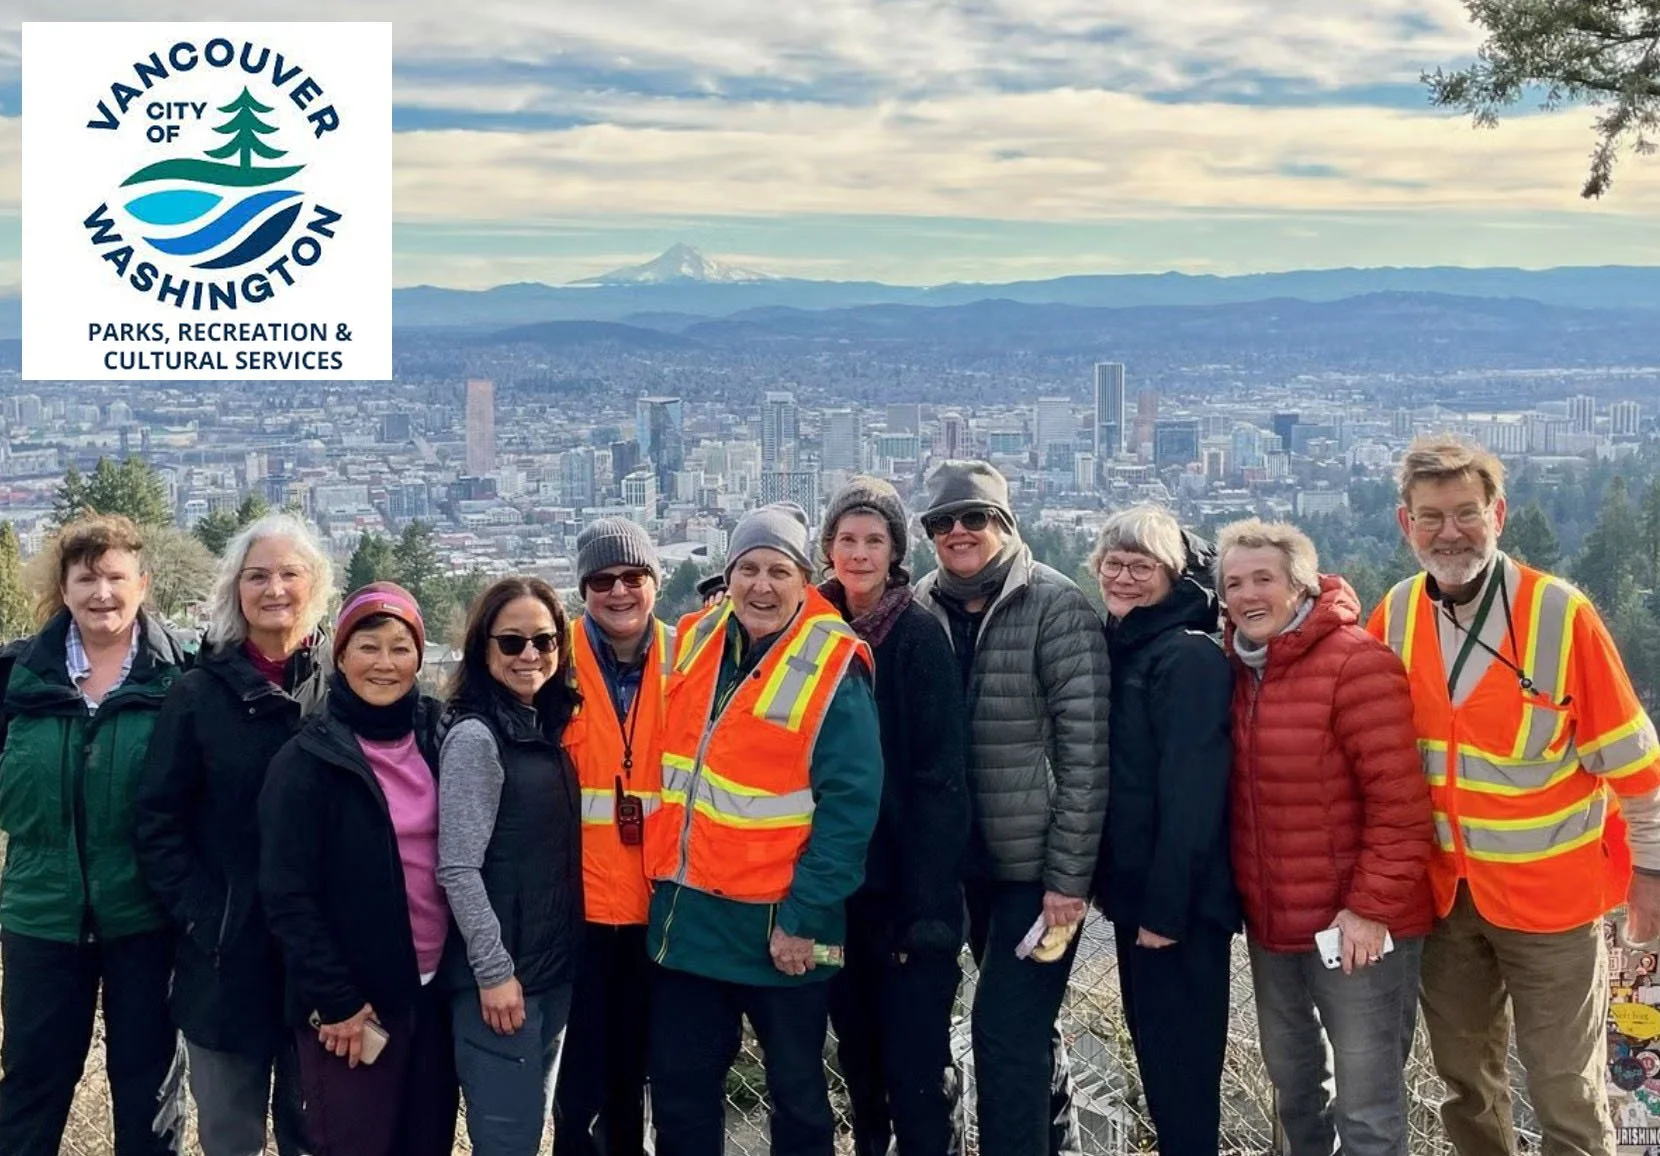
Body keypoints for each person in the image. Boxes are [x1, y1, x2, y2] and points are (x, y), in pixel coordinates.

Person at [1368, 436, 1660, 1156]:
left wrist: (1650, 876)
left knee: (1567, 1088)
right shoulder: (1396, 614)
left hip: (1553, 905)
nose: (1449, 532)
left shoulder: (1561, 615)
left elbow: (1639, 769)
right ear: (1405, 525)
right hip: (1444, 899)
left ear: (1498, 514)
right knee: (1465, 1084)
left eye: (1466, 512)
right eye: (1430, 517)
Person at [645, 502, 884, 1156]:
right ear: (728, 575)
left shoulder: (834, 663)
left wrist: (804, 916)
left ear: (805, 579)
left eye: (779, 570)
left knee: (799, 1098)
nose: (761, 585)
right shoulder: (691, 639)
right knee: (681, 1094)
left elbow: (850, 808)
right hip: (688, 922)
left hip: (783, 925)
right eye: (747, 568)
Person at [910, 460, 1111, 1156]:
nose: (958, 532)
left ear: (1006, 525)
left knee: (1002, 1032)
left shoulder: (1057, 607)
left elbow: (1087, 753)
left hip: (1036, 874)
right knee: (1025, 1031)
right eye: (942, 523)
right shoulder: (921, 607)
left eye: (975, 518)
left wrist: (1068, 880)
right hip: (963, 867)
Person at [1219, 518, 1433, 1156]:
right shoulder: (1233, 668)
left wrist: (1369, 911)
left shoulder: (1356, 663)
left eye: (1264, 579)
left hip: (1358, 928)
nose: (1248, 595)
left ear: (1302, 587)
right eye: (1234, 583)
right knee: (1294, 1091)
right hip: (1273, 922)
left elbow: (1400, 804)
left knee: (1367, 1108)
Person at [135, 514, 333, 1156]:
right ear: (235, 591)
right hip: (223, 961)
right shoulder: (196, 694)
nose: (274, 588)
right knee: (229, 1136)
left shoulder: (350, 685)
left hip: (325, 963)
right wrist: (203, 916)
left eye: (289, 573)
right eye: (257, 576)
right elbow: (158, 821)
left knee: (321, 1135)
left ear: (316, 585)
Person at [0, 514, 189, 1156]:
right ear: (64, 586)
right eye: (86, 578)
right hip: (40, 916)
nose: (101, 592)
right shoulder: (15, 679)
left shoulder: (182, 679)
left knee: (151, 1096)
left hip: (148, 918)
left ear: (143, 582)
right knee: (30, 1090)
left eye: (115, 576)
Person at [258, 583, 458, 1156]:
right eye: (368, 647)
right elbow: (287, 895)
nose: (385, 663)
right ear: (340, 655)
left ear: (420, 657)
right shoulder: (307, 759)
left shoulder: (442, 737)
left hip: (434, 996)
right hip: (353, 1007)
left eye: (401, 647)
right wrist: (337, 1000)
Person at [818, 478, 970, 1156]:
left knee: (916, 1074)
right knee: (860, 1067)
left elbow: (939, 780)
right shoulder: (809, 629)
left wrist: (928, 912)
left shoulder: (916, 635)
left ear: (895, 551)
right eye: (847, 539)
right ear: (827, 549)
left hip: (906, 898)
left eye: (873, 540)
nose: (859, 553)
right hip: (834, 891)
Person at [1090, 506, 1238, 1156]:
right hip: (1142, 902)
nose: (1123, 577)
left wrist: (1164, 913)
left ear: (1172, 573)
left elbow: (1193, 794)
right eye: (1113, 563)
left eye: (1140, 565)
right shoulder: (1133, 644)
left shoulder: (1186, 656)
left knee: (1181, 1081)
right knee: (1161, 1071)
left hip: (1175, 910)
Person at [438, 576, 584, 1155]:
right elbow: (457, 866)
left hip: (546, 974)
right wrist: (493, 971)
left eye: (545, 641)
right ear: (482, 648)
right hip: (502, 984)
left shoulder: (540, 726)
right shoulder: (478, 736)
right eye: (512, 642)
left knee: (525, 1135)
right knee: (507, 1142)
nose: (530, 655)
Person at [556, 518, 671, 1156]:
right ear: (582, 590)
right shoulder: (550, 659)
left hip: (667, 910)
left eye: (633, 576)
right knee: (581, 1094)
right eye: (602, 580)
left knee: (651, 1086)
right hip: (581, 913)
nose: (619, 591)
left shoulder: (692, 659)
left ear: (654, 581)